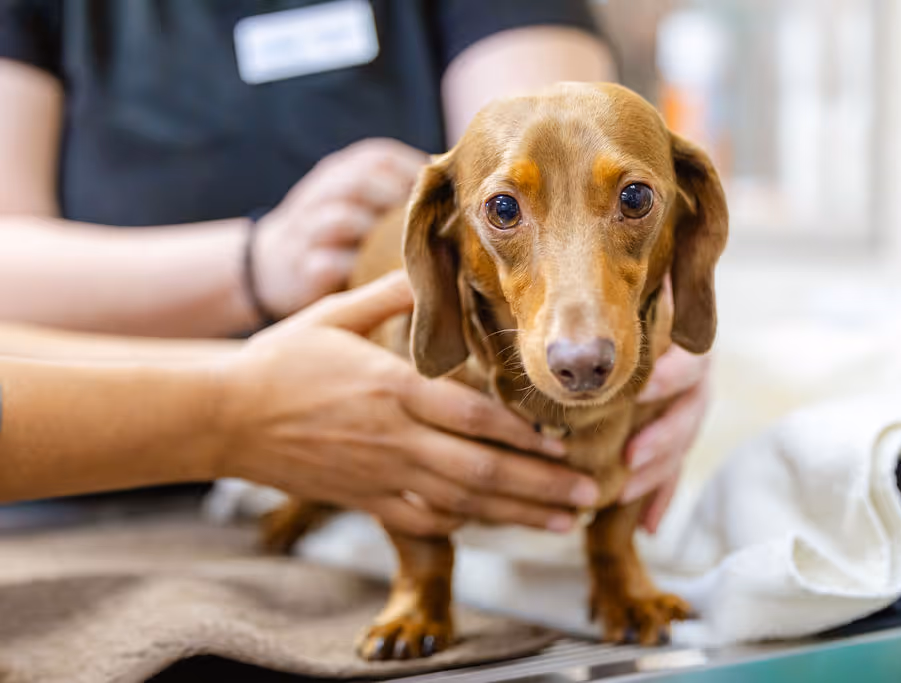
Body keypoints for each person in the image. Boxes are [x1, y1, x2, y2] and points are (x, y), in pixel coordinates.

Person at [0, 0, 709, 531]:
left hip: (452, 476)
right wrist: (258, 263)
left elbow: (572, 150)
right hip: (74, 503)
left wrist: (648, 315)